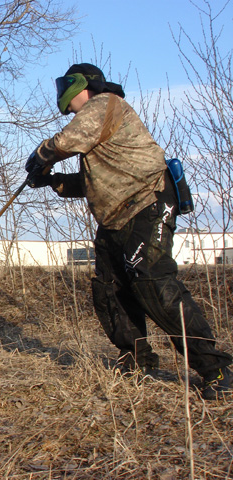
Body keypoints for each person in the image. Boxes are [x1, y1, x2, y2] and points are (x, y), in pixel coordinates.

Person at [25, 63, 232, 400]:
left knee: (153, 283)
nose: (62, 94)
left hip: (148, 201)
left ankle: (216, 369)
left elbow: (66, 141)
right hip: (115, 217)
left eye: (67, 85)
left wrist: (42, 154)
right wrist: (52, 180)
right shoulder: (95, 127)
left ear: (85, 85)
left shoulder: (106, 104)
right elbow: (92, 182)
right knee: (108, 289)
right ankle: (137, 361)